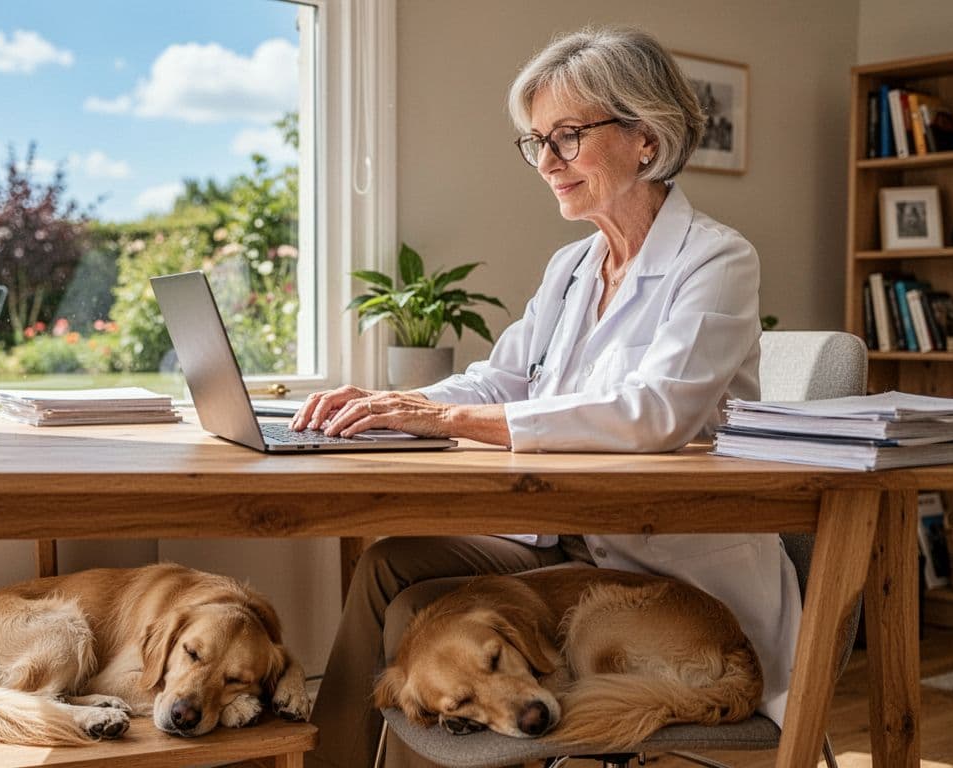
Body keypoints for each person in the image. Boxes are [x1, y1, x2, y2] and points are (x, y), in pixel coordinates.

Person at [293, 25, 802, 768]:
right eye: (536, 141)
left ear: (645, 139)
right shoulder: (573, 267)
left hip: (668, 562)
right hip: (570, 538)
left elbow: (656, 412)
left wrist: (451, 420)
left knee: (418, 615)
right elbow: (503, 376)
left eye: (566, 137)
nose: (547, 163)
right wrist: (389, 406)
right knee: (390, 571)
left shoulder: (717, 259)